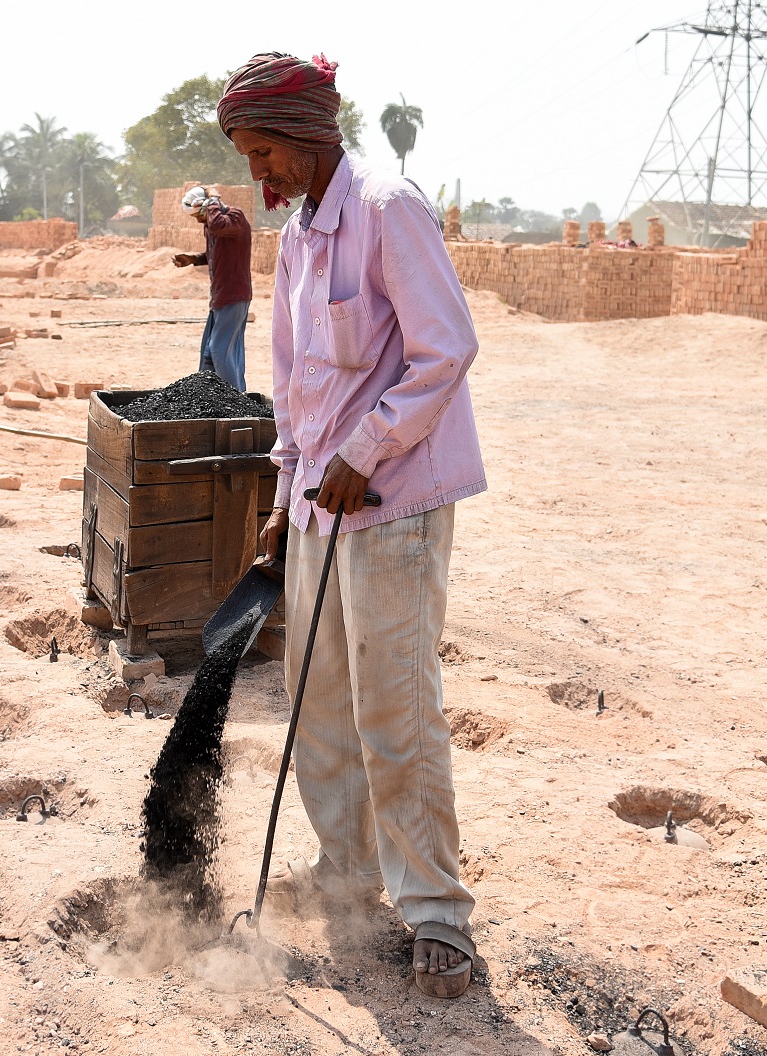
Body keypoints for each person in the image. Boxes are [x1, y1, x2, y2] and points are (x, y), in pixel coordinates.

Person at [217, 51, 488, 998]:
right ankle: (346, 872)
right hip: (315, 512)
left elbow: (445, 349)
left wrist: (363, 454)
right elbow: (296, 386)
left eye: (265, 154)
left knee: (394, 710)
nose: (261, 177)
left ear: (308, 134)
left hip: (394, 507)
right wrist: (283, 491)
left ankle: (438, 913)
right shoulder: (296, 240)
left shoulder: (386, 208)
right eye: (249, 158)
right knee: (317, 703)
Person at [171, 186, 252, 391]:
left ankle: (235, 399)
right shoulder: (213, 224)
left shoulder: (234, 218)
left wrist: (212, 200)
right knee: (208, 352)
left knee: (220, 349)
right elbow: (215, 253)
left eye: (199, 215)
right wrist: (193, 259)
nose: (199, 221)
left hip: (234, 295)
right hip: (219, 296)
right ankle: (206, 397)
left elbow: (217, 225)